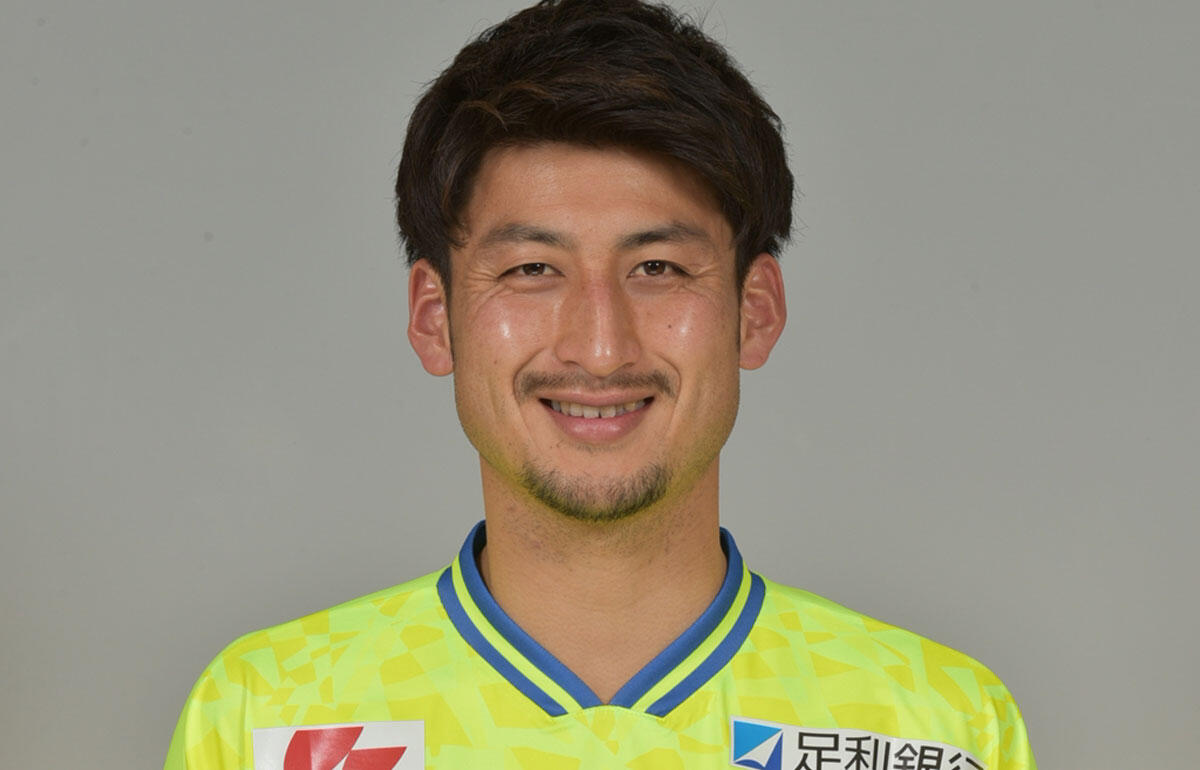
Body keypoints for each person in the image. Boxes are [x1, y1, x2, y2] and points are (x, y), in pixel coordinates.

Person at [165, 1, 1036, 768]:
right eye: (532, 269)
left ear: (756, 311)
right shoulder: (268, 721)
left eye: (657, 268)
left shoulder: (938, 728)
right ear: (435, 318)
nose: (600, 346)